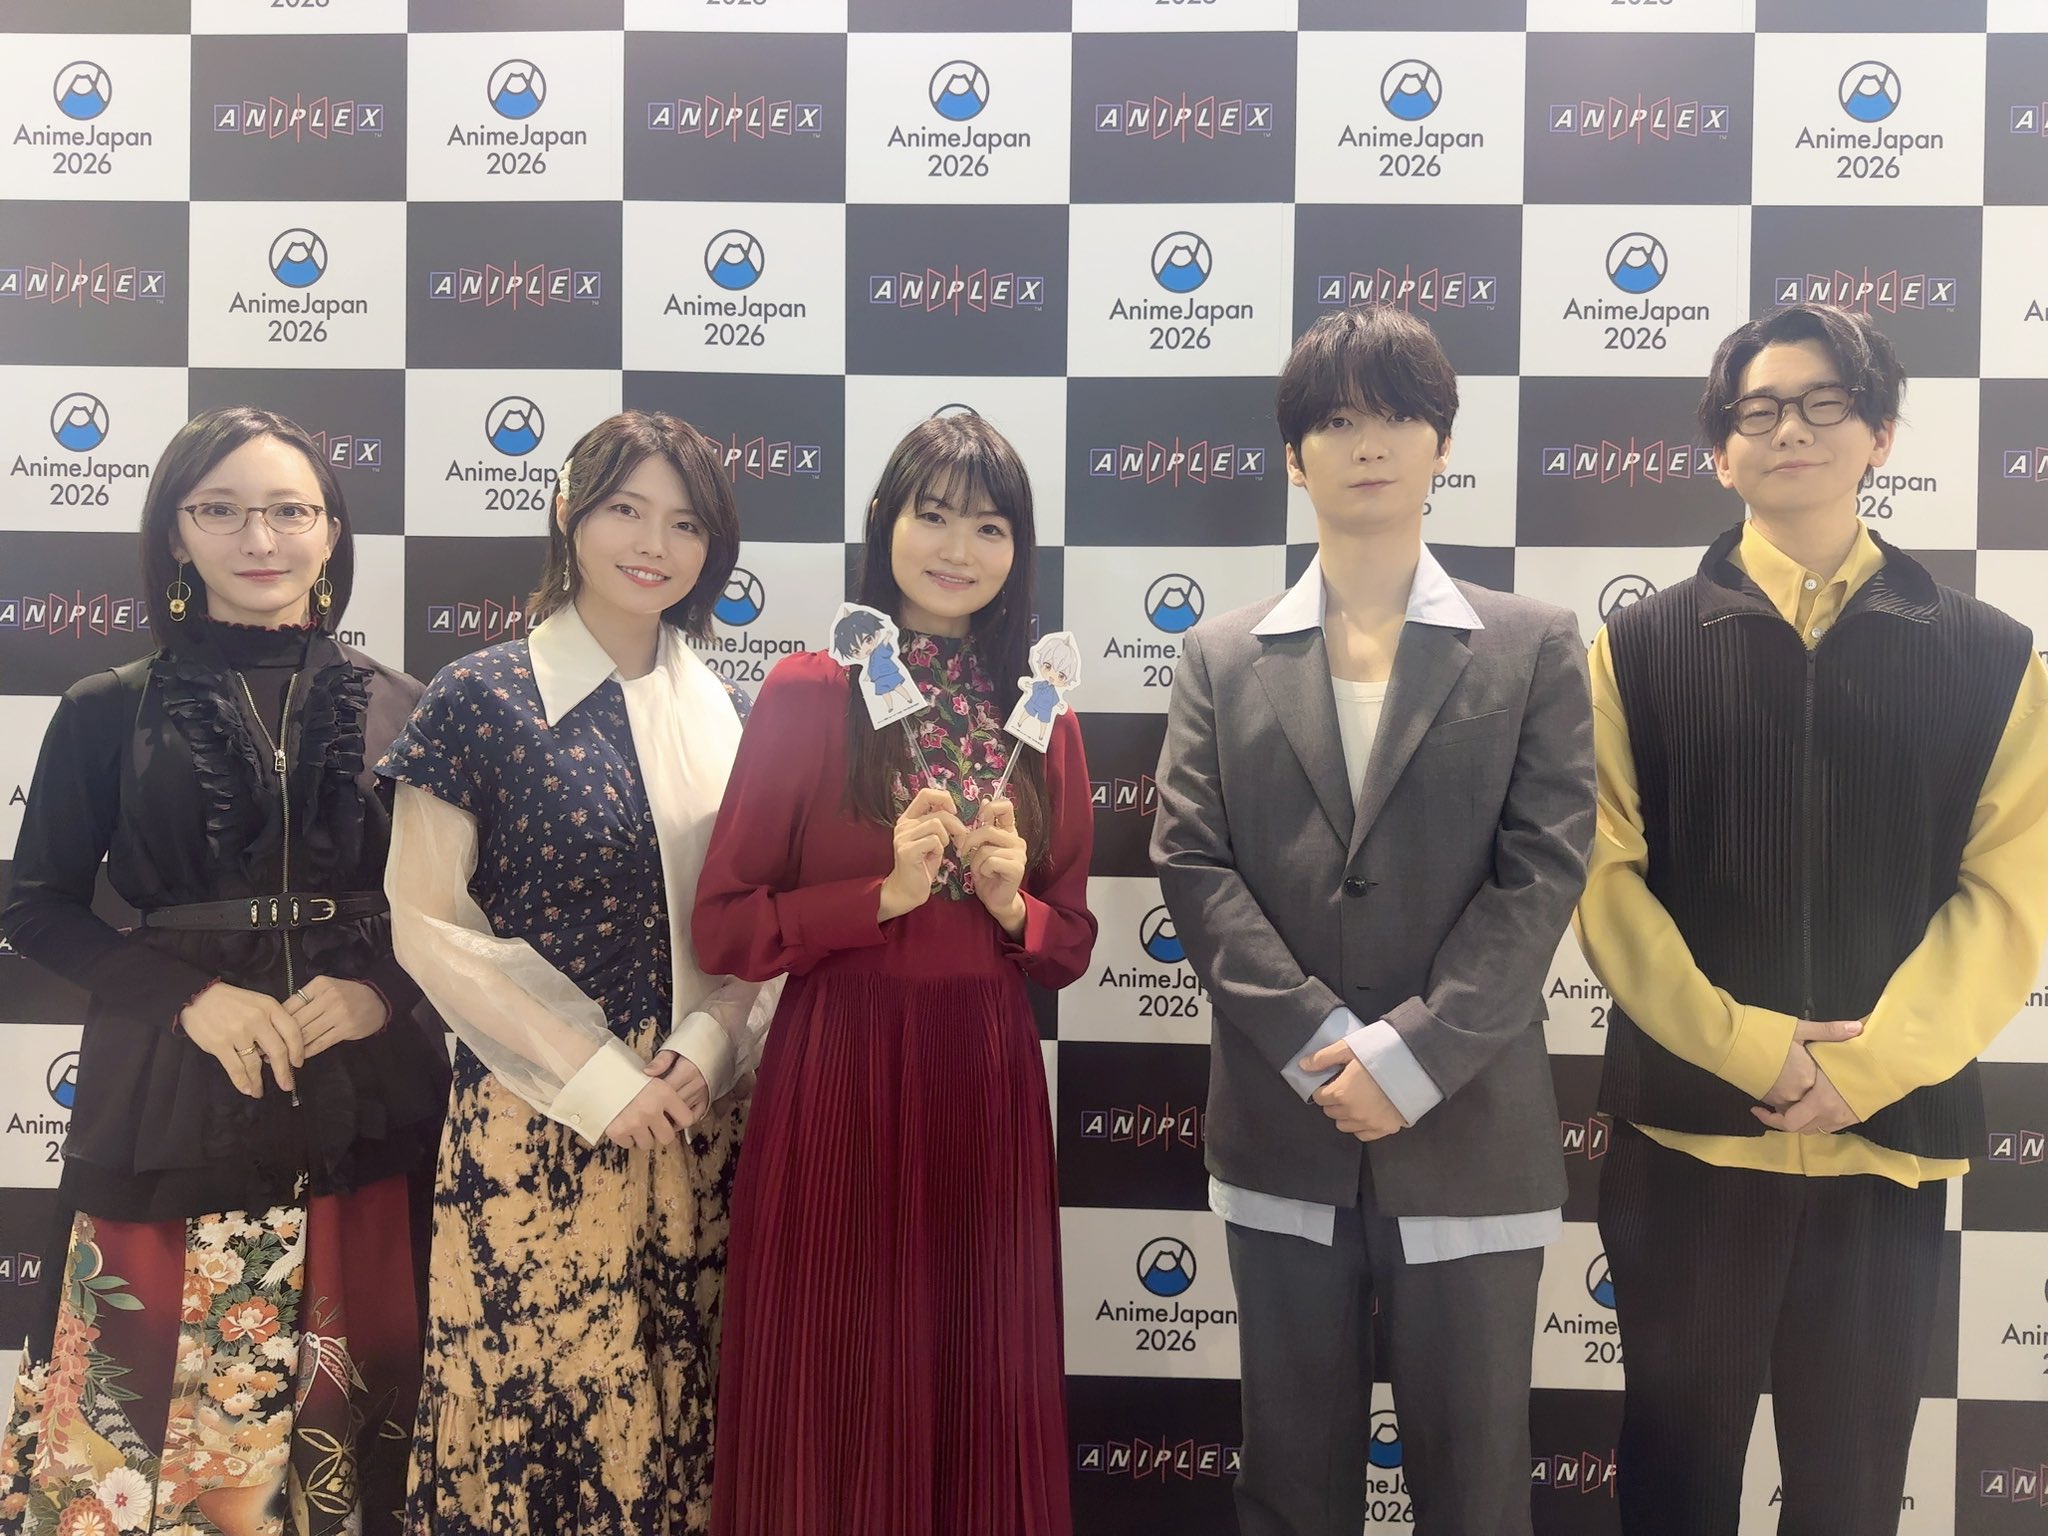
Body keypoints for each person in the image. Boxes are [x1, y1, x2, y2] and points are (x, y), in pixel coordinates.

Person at [1575, 302, 2048, 1536]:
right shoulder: (1634, 649)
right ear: (1718, 450)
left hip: (1883, 1151)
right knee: (1670, 1492)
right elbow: (1604, 880)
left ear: (1878, 433)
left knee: (1847, 1498)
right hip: (1688, 1143)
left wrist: (1865, 1068)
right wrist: (1747, 1048)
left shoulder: (1989, 656)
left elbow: (2006, 897)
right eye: (1758, 410)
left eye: (1823, 402)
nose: (1789, 429)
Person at [1151, 306, 1596, 1536]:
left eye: (1397, 415)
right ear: (1292, 458)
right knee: (1287, 1480)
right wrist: (1321, 1045)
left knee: (1476, 1484)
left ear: (1440, 443)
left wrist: (1411, 1055)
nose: (1367, 443)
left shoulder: (1531, 644)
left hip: (1470, 1127)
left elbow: (1541, 873)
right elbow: (1191, 862)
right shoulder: (1219, 655)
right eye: (1336, 419)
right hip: (1282, 1126)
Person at [0, 407, 449, 1536]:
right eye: (222, 510)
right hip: (172, 1105)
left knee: (367, 1445)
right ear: (174, 533)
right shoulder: (107, 707)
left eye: (290, 510)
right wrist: (188, 1000)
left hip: (369, 1108)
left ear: (332, 531)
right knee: (150, 1456)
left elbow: (461, 915)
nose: (260, 538)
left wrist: (383, 993)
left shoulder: (407, 706)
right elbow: (34, 905)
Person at [693, 412, 1096, 1536]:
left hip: (984, 1072)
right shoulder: (807, 690)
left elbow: (1069, 942)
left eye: (990, 526)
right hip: (840, 1066)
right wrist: (873, 900)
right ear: (883, 522)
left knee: (981, 1370)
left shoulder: (1040, 712)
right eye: (933, 516)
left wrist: (1012, 906)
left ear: (1020, 549)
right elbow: (723, 926)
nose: (958, 549)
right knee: (832, 1365)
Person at [376, 412, 771, 1534]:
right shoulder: (479, 698)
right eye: (624, 510)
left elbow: (761, 925)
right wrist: (596, 1078)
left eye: (685, 524)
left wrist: (707, 1051)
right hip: (532, 1124)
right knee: (534, 1437)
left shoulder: (733, 716)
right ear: (566, 510)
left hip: (698, 1124)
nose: (653, 544)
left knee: (686, 1431)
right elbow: (427, 924)